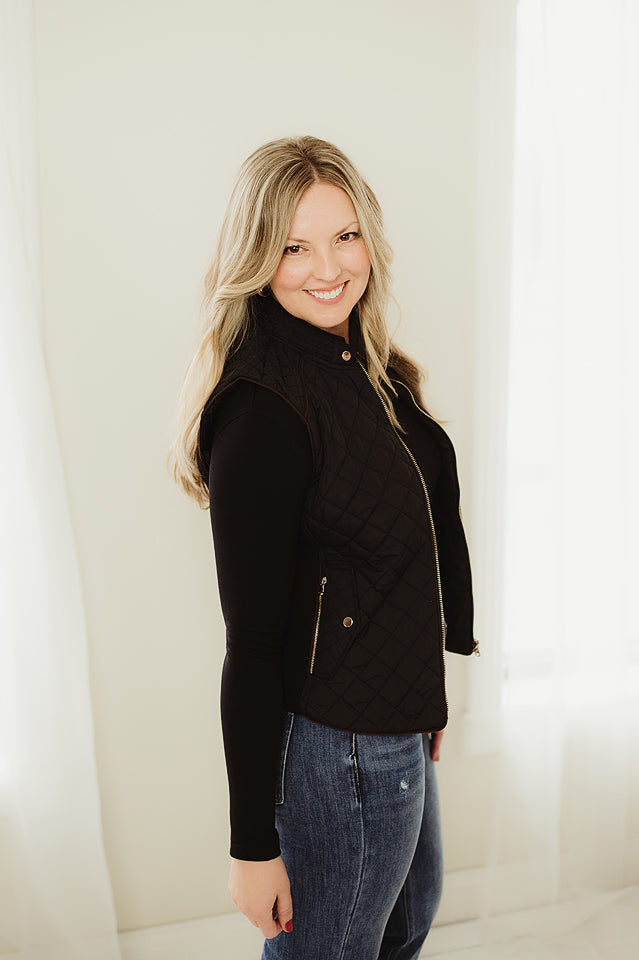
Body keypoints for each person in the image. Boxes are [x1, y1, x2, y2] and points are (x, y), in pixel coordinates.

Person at [167, 135, 478, 960]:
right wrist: (251, 846)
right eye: (293, 247)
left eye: (344, 236)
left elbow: (409, 542)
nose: (328, 267)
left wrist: (427, 686)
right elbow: (252, 642)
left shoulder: (368, 369)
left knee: (403, 929)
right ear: (255, 259)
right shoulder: (263, 411)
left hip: (394, 724)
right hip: (340, 748)